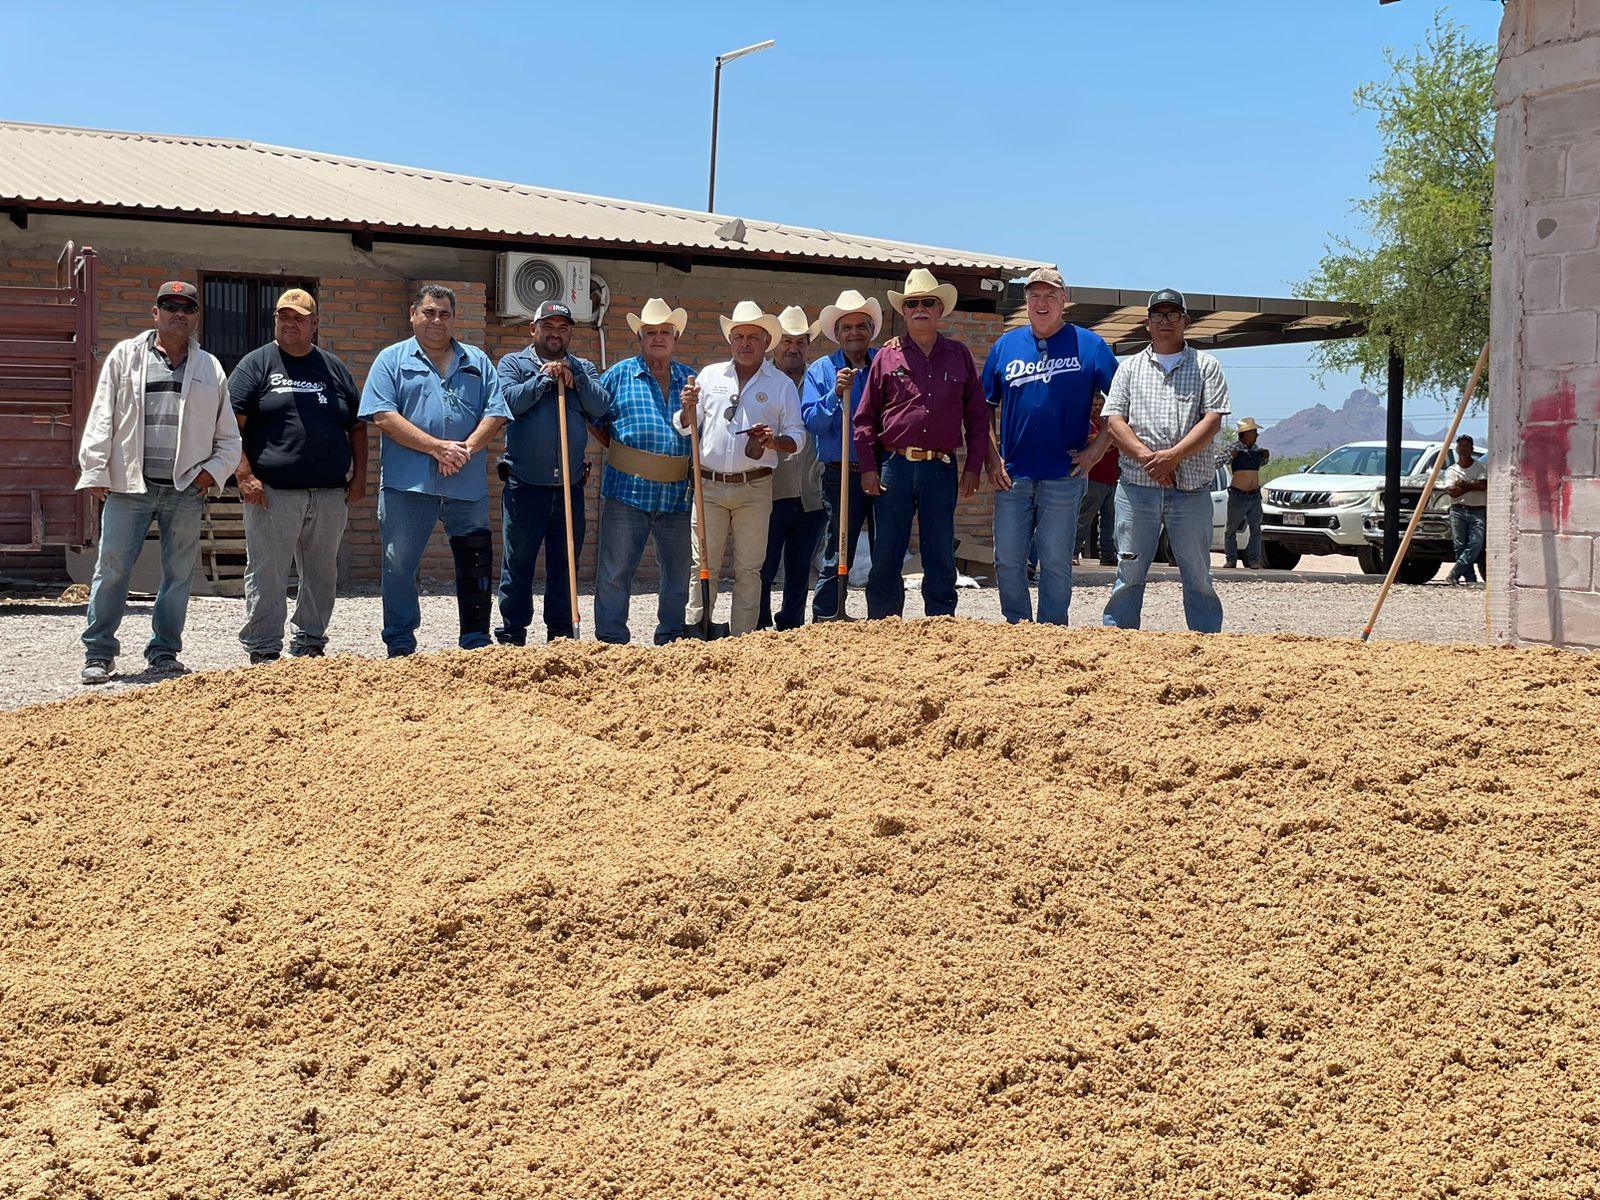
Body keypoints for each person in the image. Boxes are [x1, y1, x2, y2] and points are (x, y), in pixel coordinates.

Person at [75, 281, 240, 685]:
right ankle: (99, 652)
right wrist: (96, 468)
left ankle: (164, 652)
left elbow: (228, 436)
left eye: (186, 307)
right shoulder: (126, 356)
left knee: (179, 573)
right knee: (112, 567)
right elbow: (101, 416)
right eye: (169, 305)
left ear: (196, 317)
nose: (177, 313)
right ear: (155, 313)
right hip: (130, 484)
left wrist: (211, 472)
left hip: (185, 488)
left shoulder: (210, 367)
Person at [359, 284, 509, 657]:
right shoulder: (391, 360)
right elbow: (382, 415)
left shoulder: (476, 360)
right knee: (398, 565)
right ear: (413, 314)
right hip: (407, 486)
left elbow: (496, 412)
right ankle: (400, 642)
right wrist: (436, 447)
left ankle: (475, 641)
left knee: (475, 563)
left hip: (467, 485)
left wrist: (466, 450)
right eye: (429, 312)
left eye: (444, 313)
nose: (436, 320)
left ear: (454, 319)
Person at [231, 288, 366, 664]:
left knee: (322, 573)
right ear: (275, 320)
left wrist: (359, 479)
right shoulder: (256, 365)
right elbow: (228, 426)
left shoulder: (333, 368)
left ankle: (310, 640)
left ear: (315, 324)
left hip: (328, 493)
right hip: (272, 493)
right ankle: (264, 647)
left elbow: (357, 426)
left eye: (299, 318)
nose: (290, 323)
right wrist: (243, 474)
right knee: (267, 572)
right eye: (283, 316)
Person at [981, 266, 1117, 624]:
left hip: (1064, 474)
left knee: (1056, 559)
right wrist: (992, 458)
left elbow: (1122, 401)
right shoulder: (1005, 346)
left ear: (1064, 301)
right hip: (1012, 474)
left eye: (1050, 296)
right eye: (1035, 296)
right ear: (1025, 301)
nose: (1042, 303)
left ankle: (1053, 632)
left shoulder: (1090, 345)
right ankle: (1018, 628)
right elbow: (982, 409)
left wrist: (1097, 450)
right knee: (1008, 558)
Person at [853, 268, 988, 620]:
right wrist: (868, 467)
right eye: (912, 303)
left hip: (940, 468)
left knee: (939, 549)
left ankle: (941, 620)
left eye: (928, 302)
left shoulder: (959, 355)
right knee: (887, 550)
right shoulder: (886, 356)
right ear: (904, 311)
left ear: (940, 309)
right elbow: (865, 416)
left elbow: (977, 417)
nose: (920, 309)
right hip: (893, 468)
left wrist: (973, 467)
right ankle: (883, 621)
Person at [1102, 288, 1229, 633]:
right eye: (1158, 315)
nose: (1165, 322)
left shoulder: (1207, 366)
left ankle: (1206, 642)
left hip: (1191, 490)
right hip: (1137, 489)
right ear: (1146, 324)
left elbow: (1213, 419)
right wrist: (1148, 459)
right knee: (1128, 572)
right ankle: (1118, 638)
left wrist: (1174, 456)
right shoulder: (1129, 369)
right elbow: (1114, 420)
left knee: (1199, 574)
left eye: (1173, 315)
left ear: (1186, 322)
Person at [677, 301, 806, 636]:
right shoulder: (709, 375)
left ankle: (742, 640)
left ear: (767, 343)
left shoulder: (781, 384)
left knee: (750, 569)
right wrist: (686, 409)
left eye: (753, 336)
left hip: (755, 488)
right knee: (703, 565)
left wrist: (775, 443)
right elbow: (688, 428)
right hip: (708, 486)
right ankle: (697, 635)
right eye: (738, 336)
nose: (745, 343)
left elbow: (798, 437)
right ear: (730, 340)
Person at [493, 300, 610, 645]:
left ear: (570, 333)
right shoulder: (514, 363)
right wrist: (543, 381)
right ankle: (512, 634)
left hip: (569, 485)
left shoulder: (584, 367)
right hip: (525, 486)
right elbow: (507, 402)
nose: (555, 333)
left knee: (565, 563)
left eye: (563, 327)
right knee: (519, 562)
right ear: (534, 329)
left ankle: (560, 634)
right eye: (548, 326)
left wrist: (576, 382)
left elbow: (601, 405)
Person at [593, 299, 695, 645]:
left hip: (679, 494)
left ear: (676, 337)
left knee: (678, 573)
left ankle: (671, 636)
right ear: (640, 337)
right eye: (650, 332)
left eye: (665, 332)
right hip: (627, 491)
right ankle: (610, 640)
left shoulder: (690, 380)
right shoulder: (619, 375)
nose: (658, 337)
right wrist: (622, 451)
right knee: (615, 571)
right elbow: (595, 419)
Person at [802, 289, 881, 620]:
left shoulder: (884, 364)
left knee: (885, 548)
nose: (854, 333)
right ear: (836, 333)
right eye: (846, 327)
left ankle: (883, 615)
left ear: (870, 330)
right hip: (839, 472)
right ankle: (827, 616)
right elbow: (813, 423)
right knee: (838, 545)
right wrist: (835, 395)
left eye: (861, 326)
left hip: (881, 471)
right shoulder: (821, 371)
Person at [757, 307, 828, 630]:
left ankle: (791, 627)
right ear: (775, 344)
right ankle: (758, 626)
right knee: (763, 566)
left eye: (801, 341)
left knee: (800, 568)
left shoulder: (818, 381)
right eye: (787, 340)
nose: (793, 348)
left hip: (811, 492)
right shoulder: (762, 380)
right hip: (770, 491)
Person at [1218, 416, 1270, 568]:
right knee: (1231, 529)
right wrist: (1231, 456)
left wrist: (1265, 457)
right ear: (1246, 434)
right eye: (1254, 432)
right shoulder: (1233, 449)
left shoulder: (1256, 450)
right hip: (1238, 495)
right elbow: (1218, 462)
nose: (1257, 435)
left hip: (1254, 495)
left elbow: (1262, 463)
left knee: (1256, 529)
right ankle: (1231, 559)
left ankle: (1254, 560)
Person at [1078, 393, 1120, 565]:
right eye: (1094, 404)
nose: (1097, 408)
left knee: (1109, 522)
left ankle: (1107, 556)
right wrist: (1109, 441)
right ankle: (1072, 552)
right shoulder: (1085, 424)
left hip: (1113, 479)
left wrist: (1106, 442)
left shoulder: (1109, 424)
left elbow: (1119, 441)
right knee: (1084, 518)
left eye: (1100, 404)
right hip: (1093, 479)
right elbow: (1091, 442)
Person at [1443, 433, 1488, 584]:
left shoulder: (1481, 467)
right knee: (1460, 545)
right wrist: (1472, 485)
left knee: (1476, 543)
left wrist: (1463, 483)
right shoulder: (1451, 470)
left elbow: (1483, 485)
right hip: (1458, 510)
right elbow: (1452, 492)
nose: (1463, 449)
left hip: (1478, 510)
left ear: (1471, 449)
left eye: (1466, 446)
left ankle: (1455, 572)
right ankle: (1470, 579)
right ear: (1456, 449)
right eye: (1460, 446)